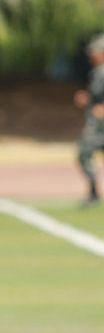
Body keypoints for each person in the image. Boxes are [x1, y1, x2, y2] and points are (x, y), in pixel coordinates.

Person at [72, 34, 104, 205]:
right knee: (84, 154)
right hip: (97, 124)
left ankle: (93, 192)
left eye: (95, 52)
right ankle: (93, 191)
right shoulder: (97, 72)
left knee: (84, 153)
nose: (92, 55)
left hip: (99, 125)